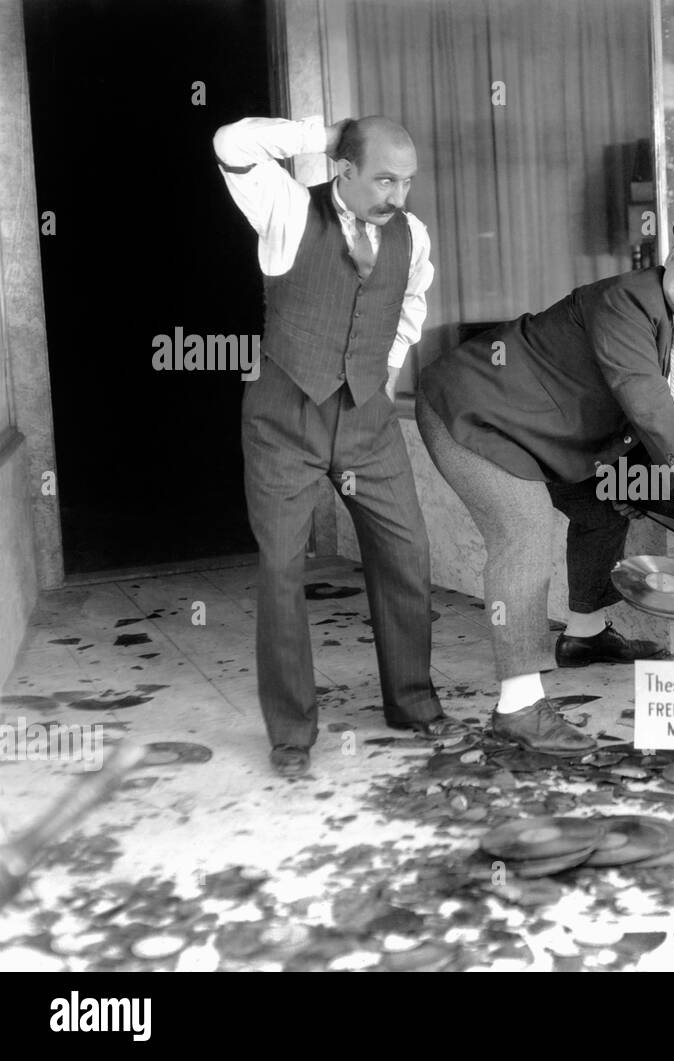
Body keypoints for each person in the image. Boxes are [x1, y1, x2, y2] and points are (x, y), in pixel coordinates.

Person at [416, 201, 674, 756]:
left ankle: (583, 636)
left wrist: (637, 481)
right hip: (473, 412)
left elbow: (642, 418)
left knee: (605, 506)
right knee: (524, 531)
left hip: (544, 434)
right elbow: (647, 402)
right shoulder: (626, 299)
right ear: (672, 256)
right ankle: (519, 709)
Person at [214, 114, 465, 778]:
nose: (398, 195)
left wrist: (387, 366)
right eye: (384, 178)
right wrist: (327, 136)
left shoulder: (411, 233)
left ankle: (413, 702)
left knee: (407, 549)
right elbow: (230, 145)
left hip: (366, 418)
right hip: (284, 418)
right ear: (344, 169)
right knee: (281, 570)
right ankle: (292, 733)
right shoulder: (287, 210)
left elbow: (413, 301)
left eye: (408, 181)